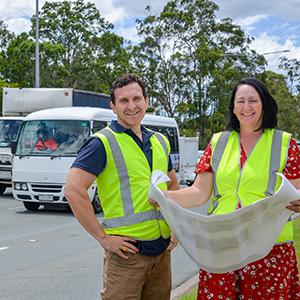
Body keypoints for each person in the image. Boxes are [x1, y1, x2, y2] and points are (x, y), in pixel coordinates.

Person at [160, 78, 300, 299]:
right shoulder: (218, 142)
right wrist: (163, 196)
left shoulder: (285, 143)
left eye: (253, 101)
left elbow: (295, 193)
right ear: (233, 108)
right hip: (221, 244)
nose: (247, 107)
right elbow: (199, 192)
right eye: (240, 101)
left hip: (269, 246)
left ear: (264, 104)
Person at [64, 74, 179, 300]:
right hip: (127, 256)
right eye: (124, 101)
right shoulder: (101, 143)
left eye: (137, 98)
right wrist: (103, 238)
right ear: (113, 107)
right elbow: (73, 190)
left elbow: (172, 185)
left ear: (146, 101)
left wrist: (177, 226)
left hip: (162, 255)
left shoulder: (160, 141)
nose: (132, 106)